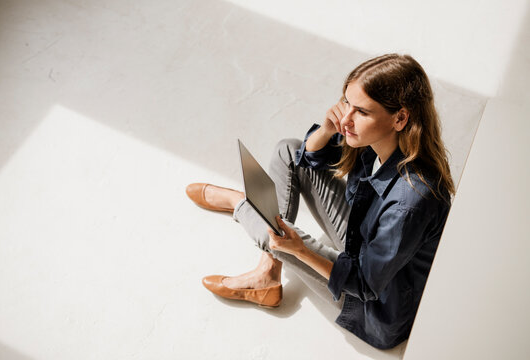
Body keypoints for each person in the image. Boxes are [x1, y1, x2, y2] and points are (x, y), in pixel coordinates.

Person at [185, 53, 454, 349]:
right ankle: (267, 272)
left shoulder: (411, 201)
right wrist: (327, 129)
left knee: (272, 233)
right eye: (346, 103)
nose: (347, 119)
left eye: (361, 112)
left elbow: (364, 284)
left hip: (375, 307)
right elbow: (308, 159)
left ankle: (241, 204)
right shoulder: (376, 141)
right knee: (288, 150)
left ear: (400, 118)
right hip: (360, 241)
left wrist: (301, 251)